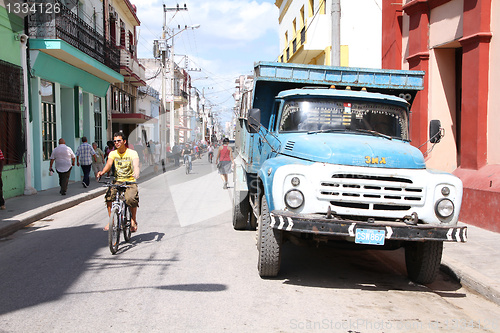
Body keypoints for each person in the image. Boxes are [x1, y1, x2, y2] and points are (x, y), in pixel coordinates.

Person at [97, 132, 140, 232]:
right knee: (109, 196)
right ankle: (111, 220)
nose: (116, 143)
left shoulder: (132, 153)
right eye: (115, 141)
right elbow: (108, 164)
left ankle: (133, 219)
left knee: (131, 199)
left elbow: (136, 165)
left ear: (124, 141)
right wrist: (102, 172)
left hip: (130, 181)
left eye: (119, 140)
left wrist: (136, 173)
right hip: (118, 180)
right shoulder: (113, 153)